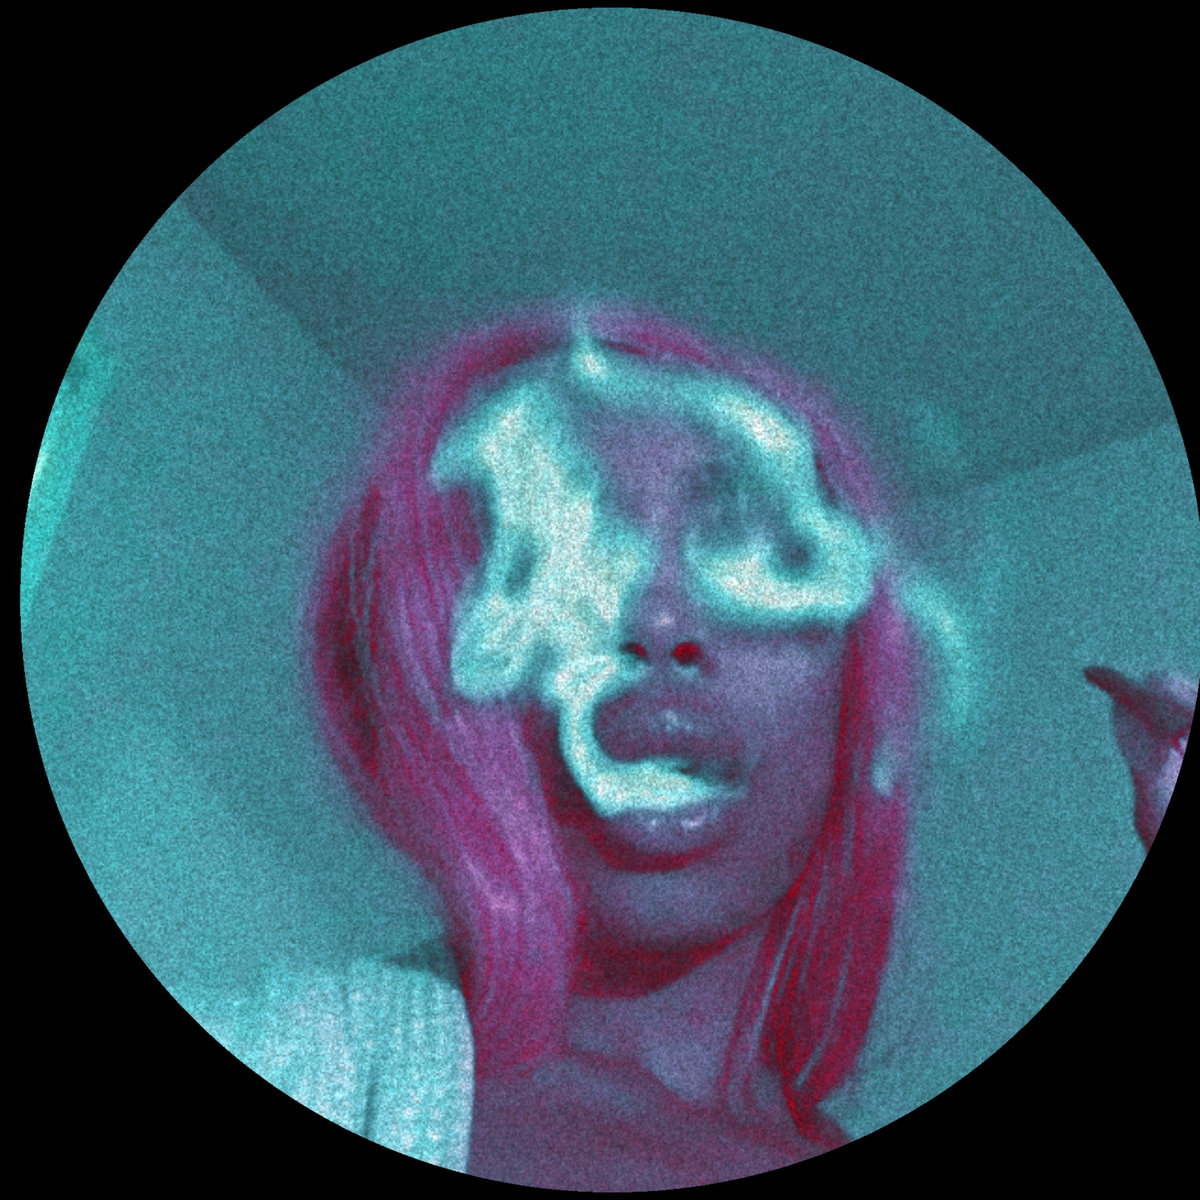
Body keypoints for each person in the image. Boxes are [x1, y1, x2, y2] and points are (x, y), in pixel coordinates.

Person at [210, 304, 1187, 1189]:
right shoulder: (292, 1058)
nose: (658, 618)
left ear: (859, 687)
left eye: (749, 546)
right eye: (568, 544)